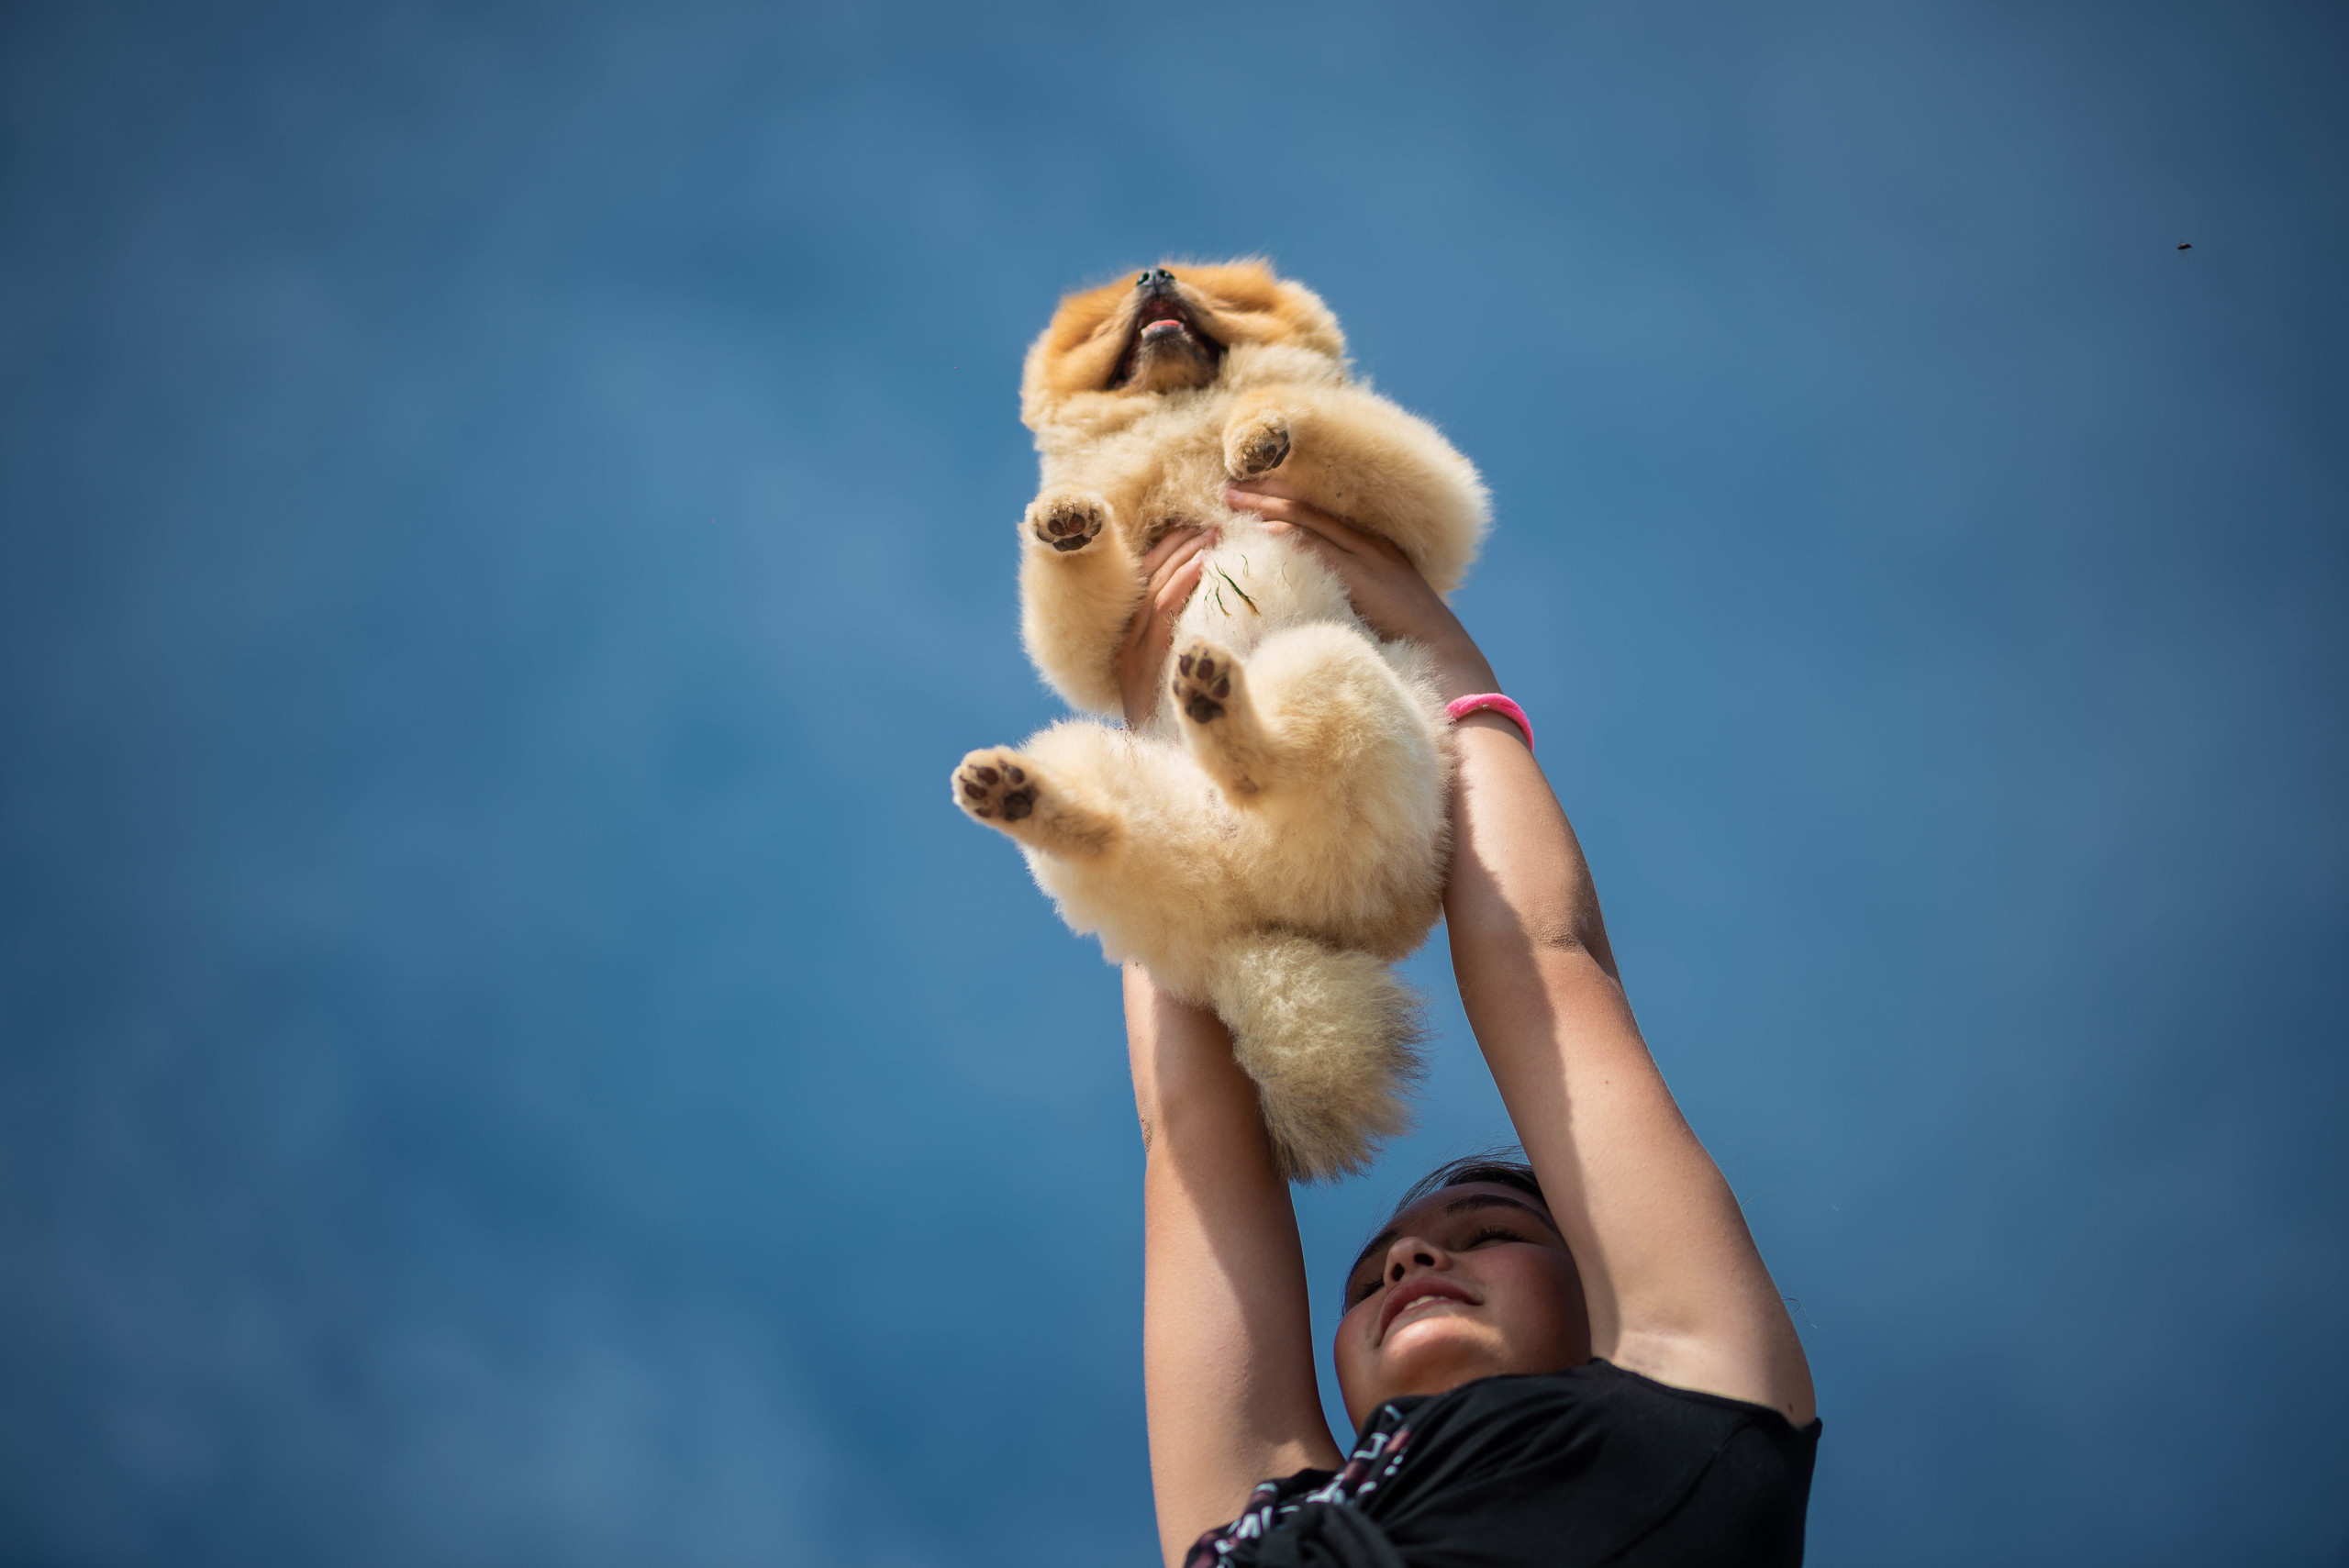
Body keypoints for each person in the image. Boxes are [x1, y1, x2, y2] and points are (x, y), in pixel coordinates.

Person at [1115, 478, 1821, 1567]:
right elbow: (1194, 1131)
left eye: (1488, 1234)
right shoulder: (1271, 1521)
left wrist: (1438, 648)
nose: (1404, 1262)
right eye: (1381, 1274)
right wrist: (1164, 753)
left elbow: (1545, 957)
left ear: (1609, 1285)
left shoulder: (1698, 1395)